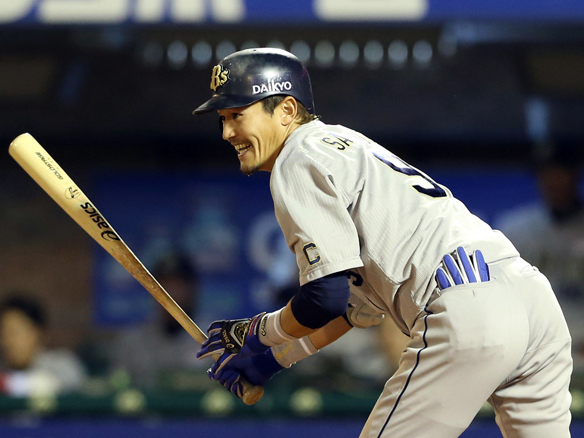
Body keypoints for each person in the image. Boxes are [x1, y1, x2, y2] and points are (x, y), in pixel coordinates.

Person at [193, 48, 572, 437]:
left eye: (237, 115)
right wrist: (272, 359)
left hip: (466, 300)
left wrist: (258, 332)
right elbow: (350, 310)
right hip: (531, 298)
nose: (227, 132)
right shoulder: (345, 144)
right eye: (223, 119)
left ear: (287, 110)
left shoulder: (296, 157)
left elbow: (324, 297)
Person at [495, 143, 584, 372]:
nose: (552, 180)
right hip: (531, 350)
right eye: (546, 173)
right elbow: (500, 297)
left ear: (574, 174)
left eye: (560, 172)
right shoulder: (514, 228)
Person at [112, 251, 206, 389]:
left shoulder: (216, 340)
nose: (170, 293)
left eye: (177, 285)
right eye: (163, 286)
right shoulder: (133, 341)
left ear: (192, 289)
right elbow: (116, 387)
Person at [0, 294, 86, 397]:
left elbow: (60, 383)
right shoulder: (3, 368)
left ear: (38, 333)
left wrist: (7, 383)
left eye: (13, 332)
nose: (7, 341)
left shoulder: (62, 363)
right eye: (3, 333)